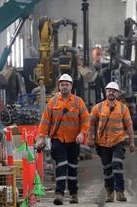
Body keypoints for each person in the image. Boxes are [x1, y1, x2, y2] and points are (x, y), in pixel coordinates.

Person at [36, 73, 89, 205]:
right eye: (62, 84)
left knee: (72, 168)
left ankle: (73, 194)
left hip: (73, 141)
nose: (64, 87)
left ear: (71, 86)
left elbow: (85, 120)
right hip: (57, 140)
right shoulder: (53, 102)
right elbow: (45, 122)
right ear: (59, 86)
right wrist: (41, 138)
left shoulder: (78, 102)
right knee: (61, 164)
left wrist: (82, 133)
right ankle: (59, 194)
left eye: (67, 84)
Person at [88, 82, 136, 203]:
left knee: (116, 165)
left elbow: (129, 125)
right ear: (105, 92)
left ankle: (120, 192)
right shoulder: (97, 107)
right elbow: (91, 124)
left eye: (114, 91)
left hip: (118, 141)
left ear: (117, 93)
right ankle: (110, 193)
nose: (111, 92)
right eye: (109, 90)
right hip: (103, 143)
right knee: (107, 169)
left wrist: (131, 142)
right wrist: (90, 138)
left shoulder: (123, 108)